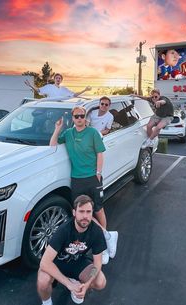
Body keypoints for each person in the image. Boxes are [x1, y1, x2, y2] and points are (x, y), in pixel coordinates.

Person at [49, 106, 118, 264]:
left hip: (92, 177)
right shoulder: (68, 134)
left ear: (85, 118)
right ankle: (107, 236)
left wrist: (98, 173)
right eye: (76, 116)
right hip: (77, 178)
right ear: (72, 118)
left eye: (81, 116)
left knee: (98, 209)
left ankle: (104, 246)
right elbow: (52, 145)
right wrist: (57, 129)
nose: (79, 119)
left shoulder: (93, 133)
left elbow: (100, 153)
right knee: (82, 211)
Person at [37, 195, 107, 305]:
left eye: (88, 212)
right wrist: (69, 284)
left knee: (100, 281)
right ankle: (46, 302)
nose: (85, 216)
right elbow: (45, 262)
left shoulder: (96, 232)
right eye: (81, 211)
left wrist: (87, 284)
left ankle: (77, 284)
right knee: (43, 281)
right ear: (74, 212)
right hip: (57, 263)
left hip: (78, 262)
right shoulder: (63, 230)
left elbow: (97, 263)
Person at [25, 73, 91, 98]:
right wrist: (30, 85)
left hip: (61, 109)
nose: (58, 79)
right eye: (57, 78)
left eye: (60, 78)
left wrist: (85, 90)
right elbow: (38, 90)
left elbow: (75, 95)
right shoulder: (49, 87)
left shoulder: (64, 89)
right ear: (54, 79)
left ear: (61, 80)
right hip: (51, 108)